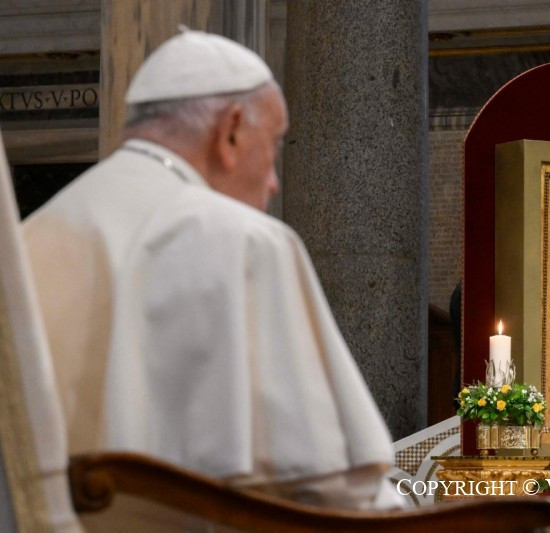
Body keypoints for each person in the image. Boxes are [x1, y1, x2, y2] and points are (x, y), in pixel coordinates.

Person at [23, 28, 401, 524]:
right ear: (231, 131)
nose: (273, 182)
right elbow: (331, 489)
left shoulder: (32, 236)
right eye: (274, 148)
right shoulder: (247, 242)